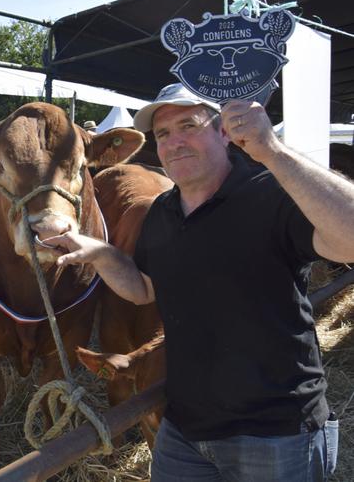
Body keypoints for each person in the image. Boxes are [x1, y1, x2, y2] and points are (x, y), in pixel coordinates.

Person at [46, 83, 354, 481]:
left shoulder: (270, 194)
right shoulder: (163, 211)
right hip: (183, 429)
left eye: (188, 126)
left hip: (275, 431)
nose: (175, 142)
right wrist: (99, 252)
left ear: (224, 131)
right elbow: (144, 289)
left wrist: (273, 151)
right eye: (164, 134)